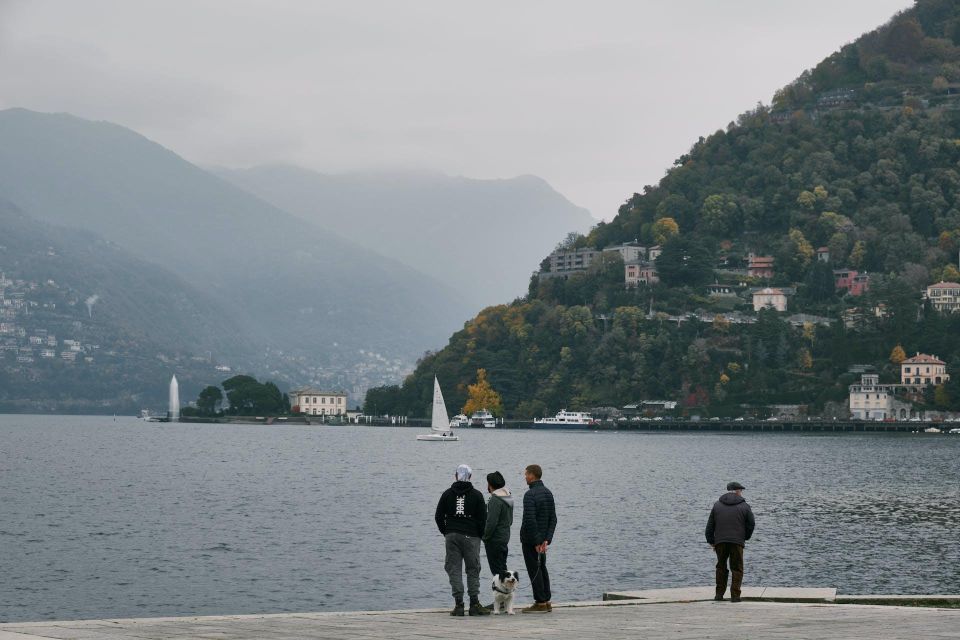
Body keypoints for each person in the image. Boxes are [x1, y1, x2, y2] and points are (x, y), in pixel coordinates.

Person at [435, 464, 490, 616]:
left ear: (455, 476)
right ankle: (474, 604)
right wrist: (479, 535)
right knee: (473, 568)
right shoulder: (477, 495)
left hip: (452, 534)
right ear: (470, 477)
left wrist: (446, 532)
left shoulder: (447, 494)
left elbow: (438, 516)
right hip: (471, 536)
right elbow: (483, 519)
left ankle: (459, 604)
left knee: (454, 569)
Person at [705, 481, 756, 603]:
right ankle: (735, 596)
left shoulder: (717, 505)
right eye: (741, 491)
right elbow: (751, 524)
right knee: (737, 568)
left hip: (720, 542)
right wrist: (745, 537)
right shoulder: (745, 506)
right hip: (737, 542)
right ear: (737, 491)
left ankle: (719, 595)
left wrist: (712, 541)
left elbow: (710, 526)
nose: (741, 493)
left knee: (721, 567)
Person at [519, 464, 556, 613]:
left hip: (531, 540)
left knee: (534, 569)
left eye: (526, 474)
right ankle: (546, 600)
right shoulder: (548, 492)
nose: (525, 477)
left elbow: (530, 520)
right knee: (542, 568)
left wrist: (535, 542)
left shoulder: (530, 495)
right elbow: (553, 518)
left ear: (532, 475)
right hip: (542, 541)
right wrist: (546, 539)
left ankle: (540, 602)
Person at [482, 470, 514, 577]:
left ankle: (502, 593)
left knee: (497, 573)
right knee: (502, 569)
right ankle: (507, 592)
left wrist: (485, 538)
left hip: (494, 540)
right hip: (504, 537)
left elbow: (491, 523)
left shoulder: (495, 500)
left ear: (490, 485)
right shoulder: (508, 496)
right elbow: (510, 521)